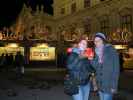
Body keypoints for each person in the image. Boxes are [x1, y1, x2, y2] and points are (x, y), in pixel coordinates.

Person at [89, 32, 120, 100]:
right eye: (95, 41)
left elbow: (116, 69)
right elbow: (96, 67)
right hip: (100, 84)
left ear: (103, 40)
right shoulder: (96, 52)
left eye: (98, 40)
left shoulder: (111, 50)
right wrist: (91, 60)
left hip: (109, 84)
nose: (96, 42)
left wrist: (114, 86)